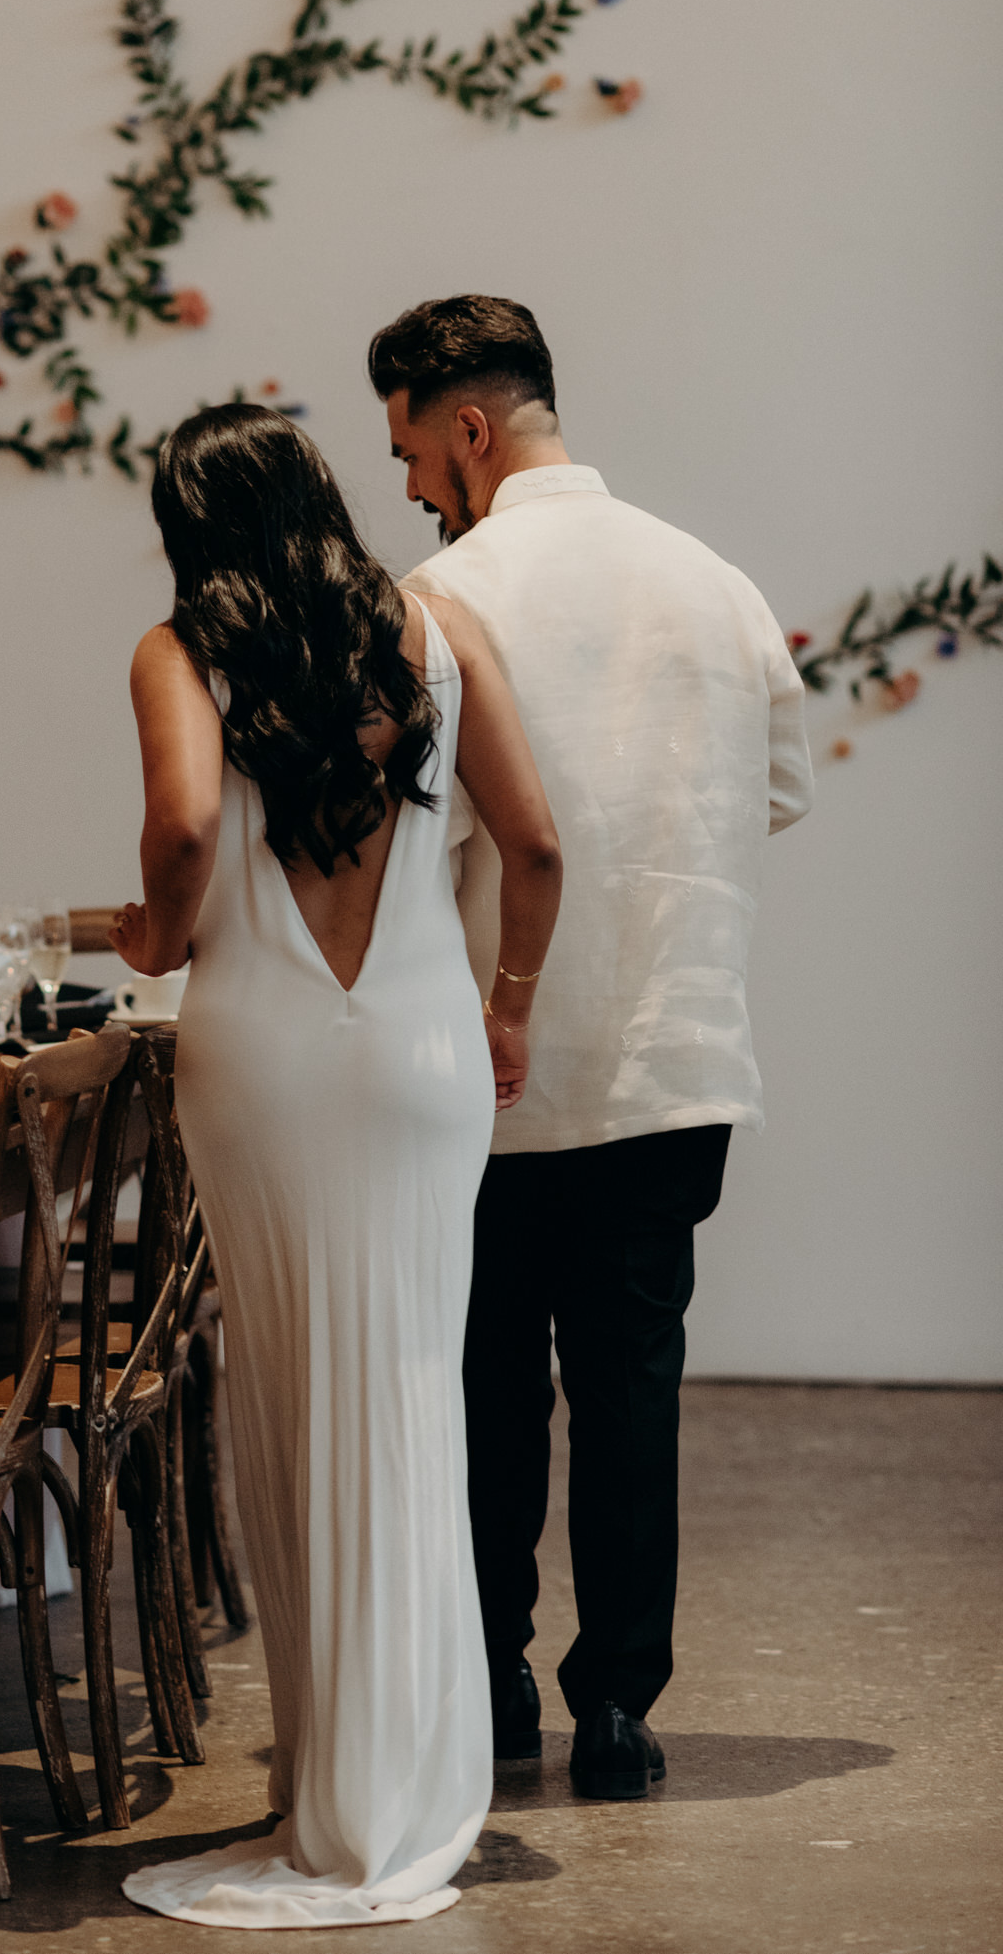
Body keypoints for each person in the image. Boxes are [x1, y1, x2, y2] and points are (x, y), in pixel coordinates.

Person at [110, 404, 563, 1927]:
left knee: (292, 1401)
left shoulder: (180, 652)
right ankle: (395, 1774)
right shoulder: (436, 631)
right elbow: (539, 845)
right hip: (427, 1052)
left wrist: (155, 939)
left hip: (265, 1059)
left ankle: (337, 1784)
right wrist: (508, 1007)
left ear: (195, 524)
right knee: (408, 1395)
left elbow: (183, 826)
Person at [370, 294, 814, 1800]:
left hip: (491, 1068)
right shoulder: (715, 583)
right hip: (674, 1050)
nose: (415, 486)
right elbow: (778, 794)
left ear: (470, 427)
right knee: (634, 1382)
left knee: (491, 1380)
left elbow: (407, 844)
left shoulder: (440, 596)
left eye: (414, 452)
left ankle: (492, 1686)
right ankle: (618, 1710)